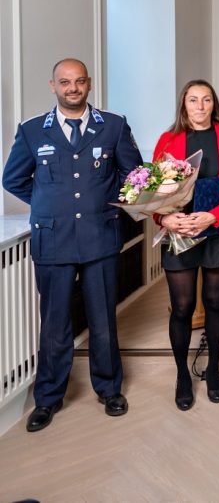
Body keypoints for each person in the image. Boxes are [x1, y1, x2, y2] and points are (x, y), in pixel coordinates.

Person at [2, 59, 143, 432]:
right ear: (53, 86)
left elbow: (134, 174)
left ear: (89, 83)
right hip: (54, 240)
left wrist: (109, 203)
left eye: (79, 81)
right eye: (65, 82)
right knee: (55, 324)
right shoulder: (33, 131)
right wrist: (49, 204)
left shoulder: (113, 125)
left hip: (100, 237)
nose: (73, 88)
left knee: (103, 320)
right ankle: (48, 398)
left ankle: (109, 389)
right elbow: (13, 179)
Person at [152, 80, 219, 410]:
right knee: (181, 307)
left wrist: (214, 216)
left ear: (213, 105)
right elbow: (151, 189)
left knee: (215, 303)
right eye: (193, 100)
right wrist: (164, 218)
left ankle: (213, 370)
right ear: (184, 105)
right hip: (179, 232)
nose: (200, 106)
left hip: (217, 232)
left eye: (206, 100)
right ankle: (183, 374)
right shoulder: (168, 140)